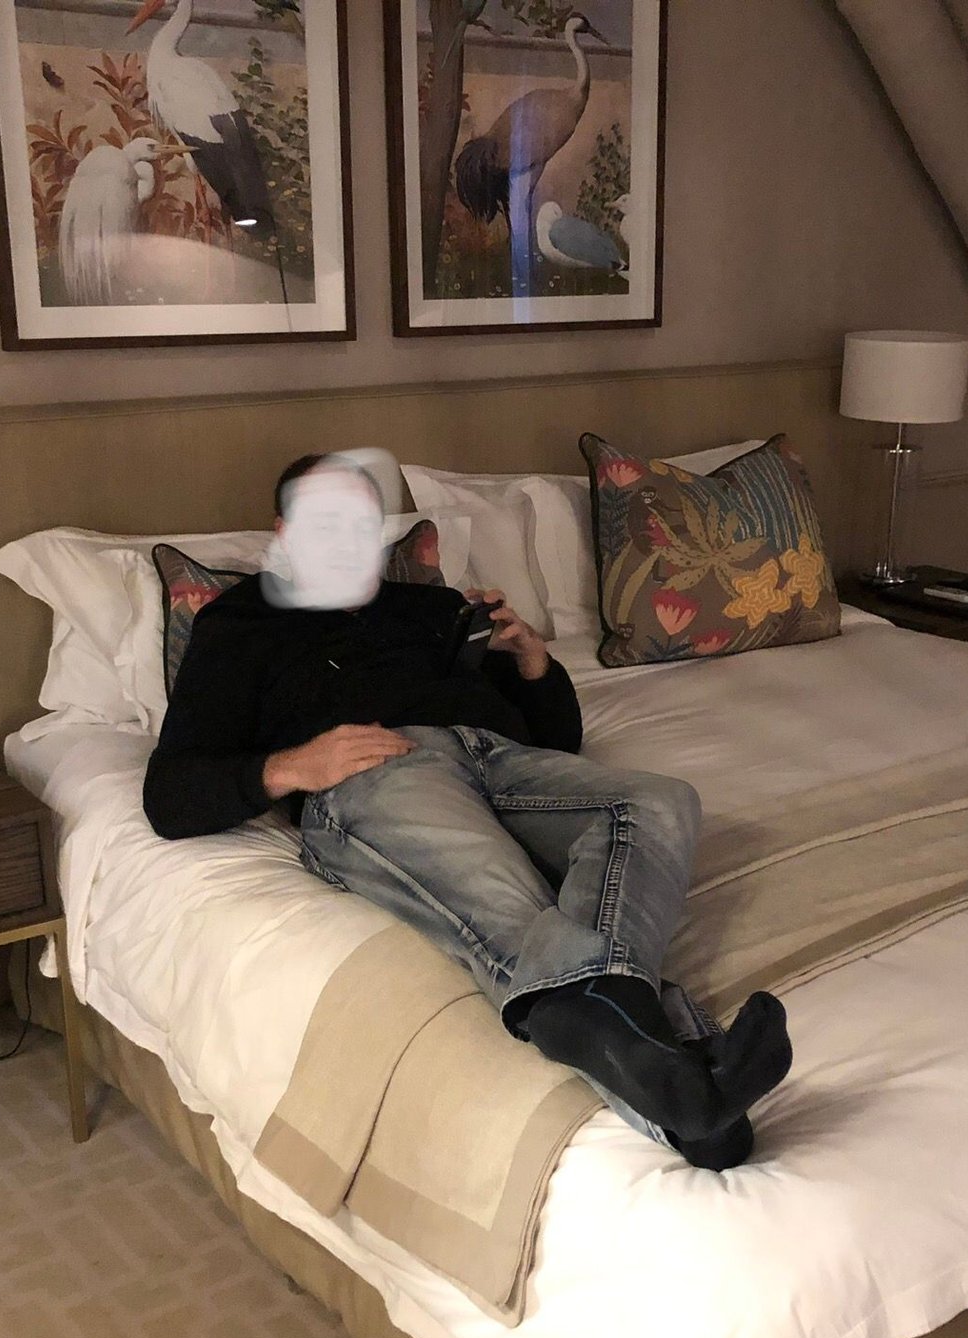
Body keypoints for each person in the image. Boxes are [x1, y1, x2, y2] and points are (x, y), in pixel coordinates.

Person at [142, 453, 792, 1169]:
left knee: (660, 804)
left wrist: (535, 665)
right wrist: (295, 766)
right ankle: (692, 1098)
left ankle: (674, 1087)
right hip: (380, 772)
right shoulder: (240, 625)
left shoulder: (428, 608)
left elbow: (555, 742)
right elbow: (169, 796)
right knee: (511, 905)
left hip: (500, 758)